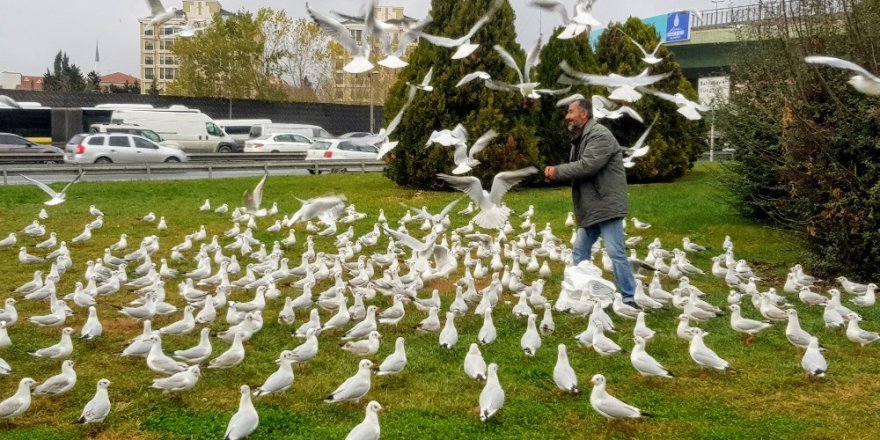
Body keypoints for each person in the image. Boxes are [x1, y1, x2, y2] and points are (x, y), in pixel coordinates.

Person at [544, 98, 638, 307]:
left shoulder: (599, 135)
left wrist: (556, 171)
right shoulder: (581, 137)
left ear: (584, 114)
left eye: (570, 112)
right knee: (579, 251)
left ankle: (629, 297)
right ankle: (582, 293)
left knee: (615, 251)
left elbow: (587, 165)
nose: (567, 116)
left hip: (606, 205)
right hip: (592, 205)